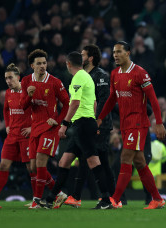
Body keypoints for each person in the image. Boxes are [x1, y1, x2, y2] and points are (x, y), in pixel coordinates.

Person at [38, 51, 113, 210]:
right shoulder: (87, 77)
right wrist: (92, 121)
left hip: (82, 124)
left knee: (93, 161)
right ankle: (51, 199)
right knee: (64, 161)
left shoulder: (78, 77)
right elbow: (93, 102)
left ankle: (106, 200)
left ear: (68, 64)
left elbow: (75, 103)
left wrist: (64, 124)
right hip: (86, 122)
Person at [97, 41, 166, 209]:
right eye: (114, 52)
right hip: (125, 123)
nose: (115, 55)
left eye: (119, 52)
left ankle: (115, 199)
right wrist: (100, 118)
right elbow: (112, 98)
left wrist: (159, 122)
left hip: (138, 122)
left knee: (125, 157)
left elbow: (153, 99)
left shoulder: (140, 73)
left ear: (128, 53)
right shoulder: (114, 74)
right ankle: (157, 199)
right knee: (140, 162)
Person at [63, 44, 115, 208]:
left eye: (83, 54)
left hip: (100, 123)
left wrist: (98, 120)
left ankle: (112, 198)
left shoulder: (100, 75)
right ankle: (113, 198)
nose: (80, 57)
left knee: (98, 161)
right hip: (88, 123)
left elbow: (104, 100)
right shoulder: (83, 75)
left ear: (90, 58)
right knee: (92, 160)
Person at [20, 49, 70, 209]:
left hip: (50, 127)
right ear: (32, 65)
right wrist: (28, 95)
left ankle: (38, 200)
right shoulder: (26, 81)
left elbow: (67, 103)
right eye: (39, 63)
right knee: (34, 167)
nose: (42, 66)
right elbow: (22, 106)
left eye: (44, 63)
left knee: (41, 163)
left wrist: (56, 120)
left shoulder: (55, 82)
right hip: (36, 126)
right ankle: (59, 194)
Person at [0, 63, 32, 208]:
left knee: (33, 168)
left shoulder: (28, 92)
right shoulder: (8, 93)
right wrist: (7, 125)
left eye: (10, 78)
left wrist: (32, 127)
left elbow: (39, 111)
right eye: (6, 78)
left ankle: (40, 198)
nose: (8, 81)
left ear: (18, 78)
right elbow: (6, 110)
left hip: (26, 135)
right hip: (12, 135)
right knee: (3, 165)